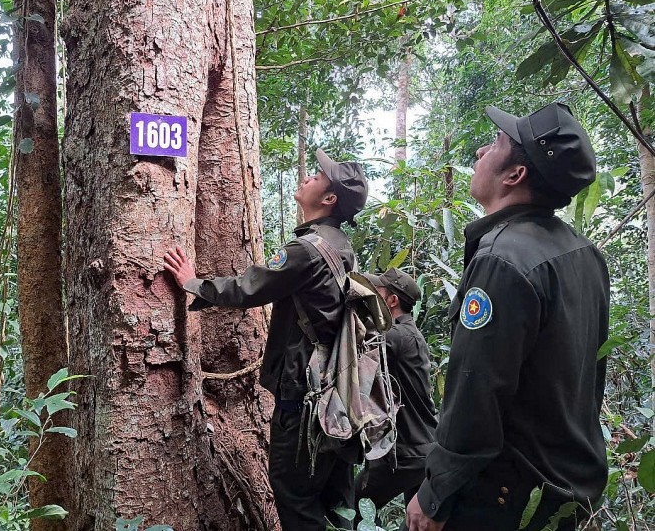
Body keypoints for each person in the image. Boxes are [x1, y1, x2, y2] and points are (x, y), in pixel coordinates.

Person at [405, 102, 610, 531]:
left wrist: (435, 491)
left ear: (515, 175)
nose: (480, 150)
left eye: (496, 143)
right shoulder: (584, 253)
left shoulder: (502, 259)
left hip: (505, 498)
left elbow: (477, 389)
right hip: (568, 488)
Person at [163, 149, 368, 531]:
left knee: (294, 496)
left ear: (329, 198)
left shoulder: (307, 250)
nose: (309, 176)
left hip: (303, 396)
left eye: (319, 176)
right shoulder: (340, 245)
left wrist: (192, 282)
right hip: (333, 391)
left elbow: (247, 288)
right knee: (331, 500)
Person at [355, 269, 437, 522]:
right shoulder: (408, 333)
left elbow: (354, 352)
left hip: (405, 453)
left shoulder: (396, 336)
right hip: (423, 448)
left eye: (377, 293)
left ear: (392, 301)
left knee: (349, 509)